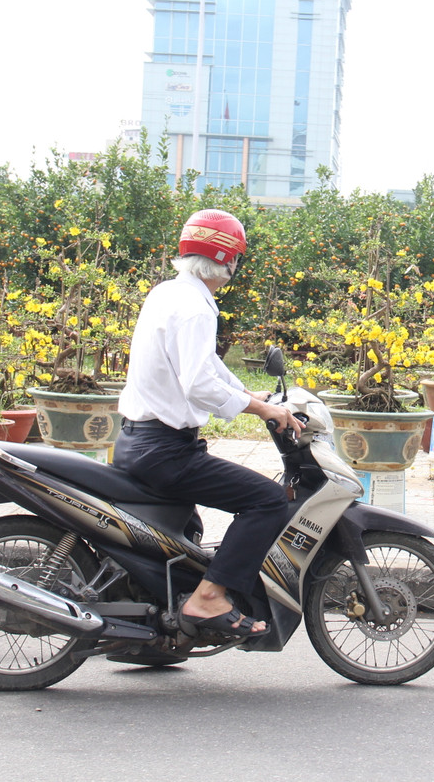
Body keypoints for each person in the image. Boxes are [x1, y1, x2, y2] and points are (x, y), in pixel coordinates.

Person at [113, 209, 302, 640]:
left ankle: (157, 635)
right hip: (165, 451)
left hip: (138, 442)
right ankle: (209, 598)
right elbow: (199, 384)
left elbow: (209, 366)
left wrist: (253, 396)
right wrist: (263, 411)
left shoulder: (168, 293)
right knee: (268, 501)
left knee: (190, 533)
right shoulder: (196, 309)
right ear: (227, 260)